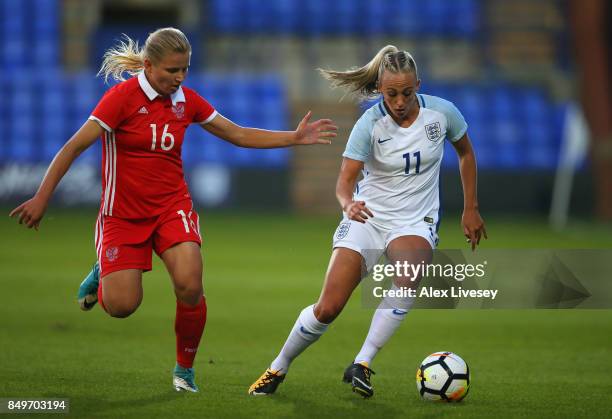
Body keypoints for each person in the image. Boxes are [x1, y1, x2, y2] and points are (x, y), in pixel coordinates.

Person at [9, 27, 337, 393]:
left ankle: (185, 371)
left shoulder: (186, 100)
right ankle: (103, 267)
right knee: (121, 306)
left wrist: (292, 138)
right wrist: (42, 197)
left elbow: (238, 134)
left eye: (185, 69)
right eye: (172, 71)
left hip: (171, 208)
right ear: (148, 66)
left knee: (190, 285)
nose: (179, 78)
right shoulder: (120, 99)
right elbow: (72, 147)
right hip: (122, 216)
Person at [248, 45, 486, 398]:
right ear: (379, 90)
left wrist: (471, 208)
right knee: (328, 307)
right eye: (392, 93)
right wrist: (348, 204)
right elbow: (344, 182)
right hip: (368, 217)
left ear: (418, 84)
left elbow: (465, 151)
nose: (400, 101)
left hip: (414, 221)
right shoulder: (369, 124)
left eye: (407, 92)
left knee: (410, 275)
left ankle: (362, 362)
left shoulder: (442, 113)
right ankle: (277, 367)